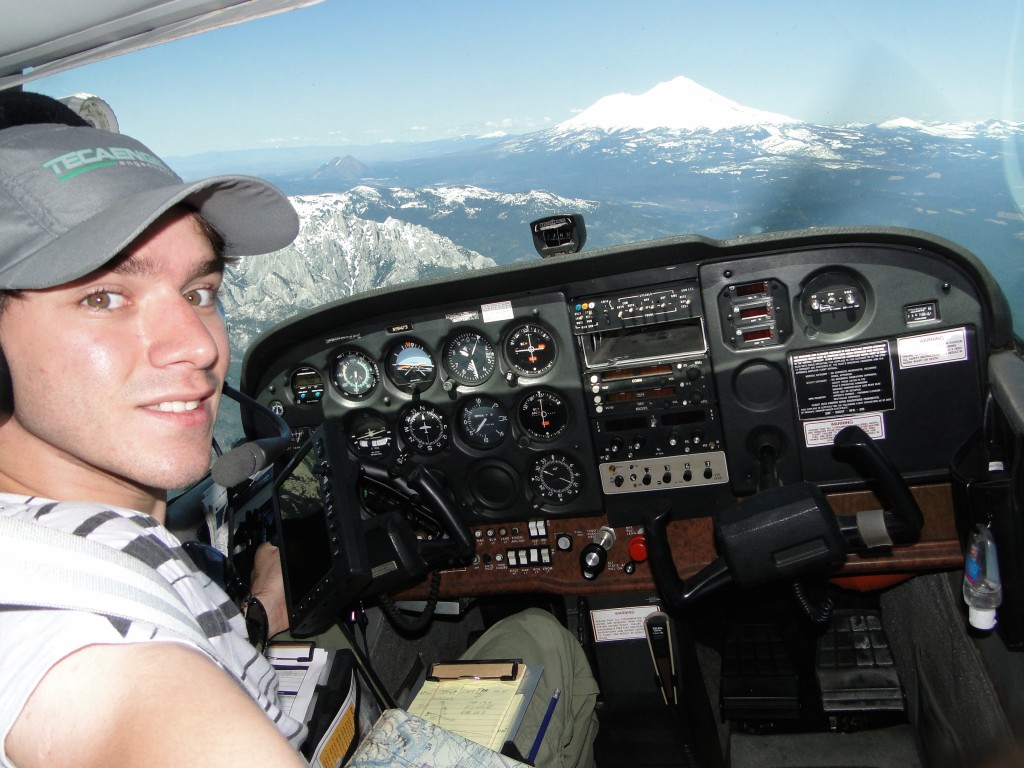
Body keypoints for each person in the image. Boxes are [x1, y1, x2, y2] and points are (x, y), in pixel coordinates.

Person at [0, 91, 598, 768]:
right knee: (546, 640)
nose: (196, 346)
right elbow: (126, 704)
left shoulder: (79, 540)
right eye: (102, 298)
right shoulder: (73, 644)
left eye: (199, 292)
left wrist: (256, 614)